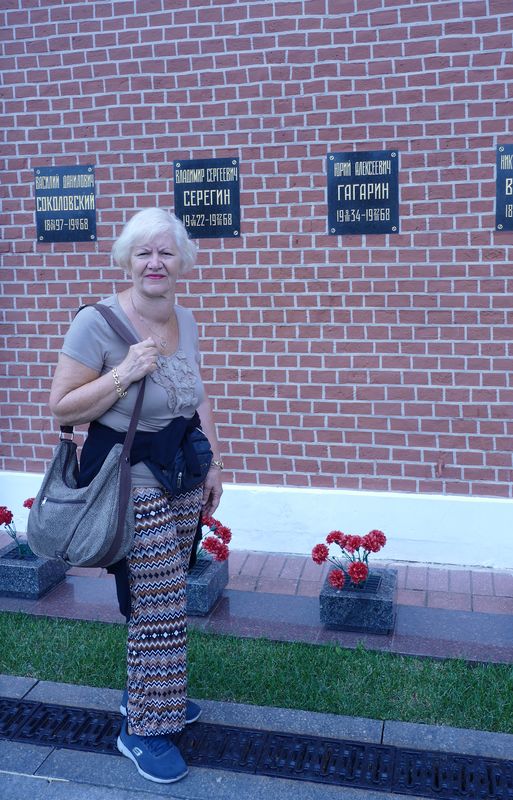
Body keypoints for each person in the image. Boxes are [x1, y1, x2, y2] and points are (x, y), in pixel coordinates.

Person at [48, 208, 223, 784]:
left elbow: (196, 396)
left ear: (182, 263)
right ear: (127, 259)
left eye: (166, 252)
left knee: (157, 595)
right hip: (128, 475)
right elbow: (61, 406)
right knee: (161, 598)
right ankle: (143, 730)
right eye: (144, 252)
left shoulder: (185, 319)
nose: (155, 263)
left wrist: (214, 463)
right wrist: (124, 372)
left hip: (182, 469)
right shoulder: (95, 323)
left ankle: (151, 690)